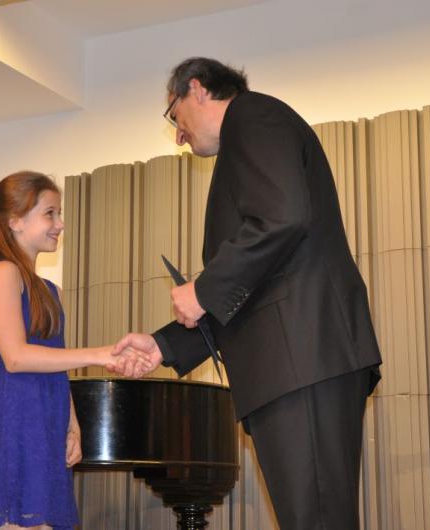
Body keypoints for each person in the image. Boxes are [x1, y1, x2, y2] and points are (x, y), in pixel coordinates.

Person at [113, 58, 382, 530]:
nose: (178, 136)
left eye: (174, 117)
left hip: (302, 357)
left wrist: (204, 289)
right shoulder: (247, 135)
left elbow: (283, 218)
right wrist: (162, 345)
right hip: (295, 362)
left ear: (196, 89)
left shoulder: (253, 115)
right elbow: (253, 284)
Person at [0, 170, 151, 530]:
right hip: (14, 422)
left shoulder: (51, 291)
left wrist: (72, 425)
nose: (60, 224)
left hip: (47, 422)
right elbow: (16, 358)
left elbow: (54, 365)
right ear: (15, 220)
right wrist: (98, 354)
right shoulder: (3, 273)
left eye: (59, 213)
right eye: (49, 213)